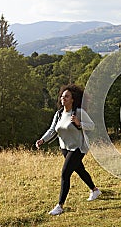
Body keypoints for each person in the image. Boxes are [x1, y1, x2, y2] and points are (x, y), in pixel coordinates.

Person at [35, 84, 101, 215]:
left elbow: (92, 126)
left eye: (66, 96)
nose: (63, 98)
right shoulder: (59, 114)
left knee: (65, 174)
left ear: (72, 99)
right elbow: (52, 130)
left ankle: (60, 206)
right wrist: (42, 140)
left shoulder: (78, 112)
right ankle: (95, 190)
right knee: (80, 170)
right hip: (64, 148)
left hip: (78, 147)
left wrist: (79, 123)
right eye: (62, 96)